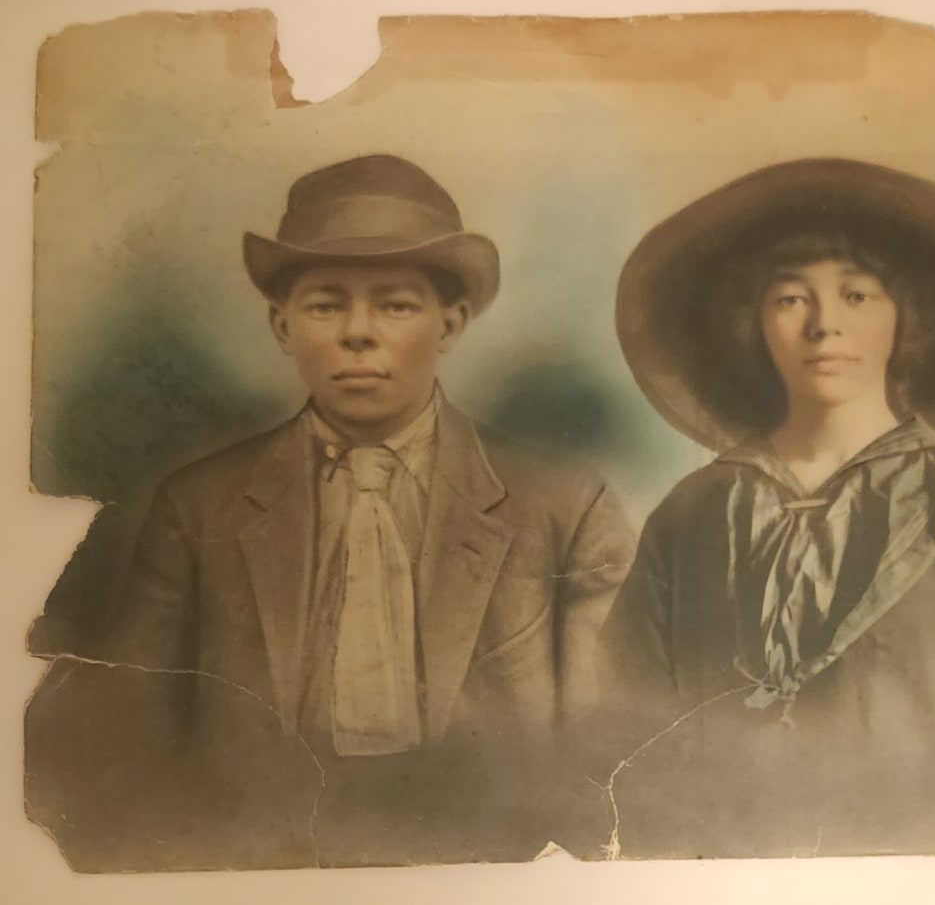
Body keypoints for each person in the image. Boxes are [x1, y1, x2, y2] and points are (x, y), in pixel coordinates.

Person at [28, 154, 634, 868]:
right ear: (283, 326)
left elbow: (608, 756)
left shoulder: (562, 506)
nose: (358, 332)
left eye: (395, 304)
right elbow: (126, 742)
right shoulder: (199, 507)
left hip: (485, 866)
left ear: (450, 322)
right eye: (326, 303)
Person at [598, 159, 935, 855]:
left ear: (908, 318)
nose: (824, 325)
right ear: (752, 321)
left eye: (858, 295)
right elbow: (626, 726)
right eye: (789, 298)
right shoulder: (690, 516)